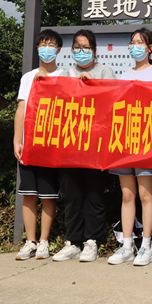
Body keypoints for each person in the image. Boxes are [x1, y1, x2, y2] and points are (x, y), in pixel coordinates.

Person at [53, 29, 116, 262]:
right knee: (72, 195)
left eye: (86, 47)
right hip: (71, 145)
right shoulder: (66, 74)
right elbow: (56, 102)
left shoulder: (105, 71)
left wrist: (94, 84)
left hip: (96, 145)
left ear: (94, 50)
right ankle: (72, 242)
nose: (81, 51)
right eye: (77, 47)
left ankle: (92, 241)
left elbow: (113, 99)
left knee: (94, 194)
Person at [107, 28, 152, 267]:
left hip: (147, 142)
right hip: (125, 140)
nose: (136, 46)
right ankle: (127, 245)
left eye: (141, 42)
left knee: (145, 194)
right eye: (133, 42)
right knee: (127, 195)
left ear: (150, 48)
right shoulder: (124, 75)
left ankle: (146, 245)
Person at [13, 30, 64, 260]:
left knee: (48, 195)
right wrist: (17, 140)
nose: (46, 48)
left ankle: (44, 241)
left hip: (51, 146)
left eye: (51, 44)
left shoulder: (64, 76)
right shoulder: (28, 77)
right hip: (29, 145)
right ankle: (30, 242)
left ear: (58, 50)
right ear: (37, 49)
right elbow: (21, 109)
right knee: (29, 194)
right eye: (42, 44)